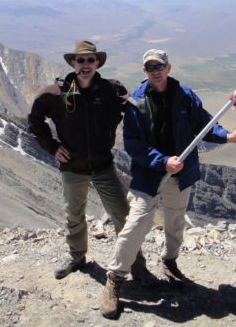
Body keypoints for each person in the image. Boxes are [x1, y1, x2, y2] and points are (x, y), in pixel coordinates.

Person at [99, 49, 236, 318]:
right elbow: (133, 144)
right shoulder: (136, 103)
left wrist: (227, 136)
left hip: (181, 174)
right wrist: (163, 161)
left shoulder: (185, 95)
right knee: (136, 224)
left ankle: (170, 262)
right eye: (150, 67)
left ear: (168, 67)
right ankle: (115, 279)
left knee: (175, 221)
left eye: (159, 66)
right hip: (149, 175)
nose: (155, 71)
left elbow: (205, 124)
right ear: (144, 71)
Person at [28, 40, 149, 280]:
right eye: (80, 60)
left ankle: (137, 266)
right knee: (74, 216)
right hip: (72, 167)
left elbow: (135, 112)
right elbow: (35, 121)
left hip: (104, 165)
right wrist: (52, 147)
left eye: (90, 60)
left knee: (122, 217)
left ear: (97, 63)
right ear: (72, 63)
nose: (85, 65)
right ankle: (76, 257)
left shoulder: (110, 90)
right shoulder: (55, 94)